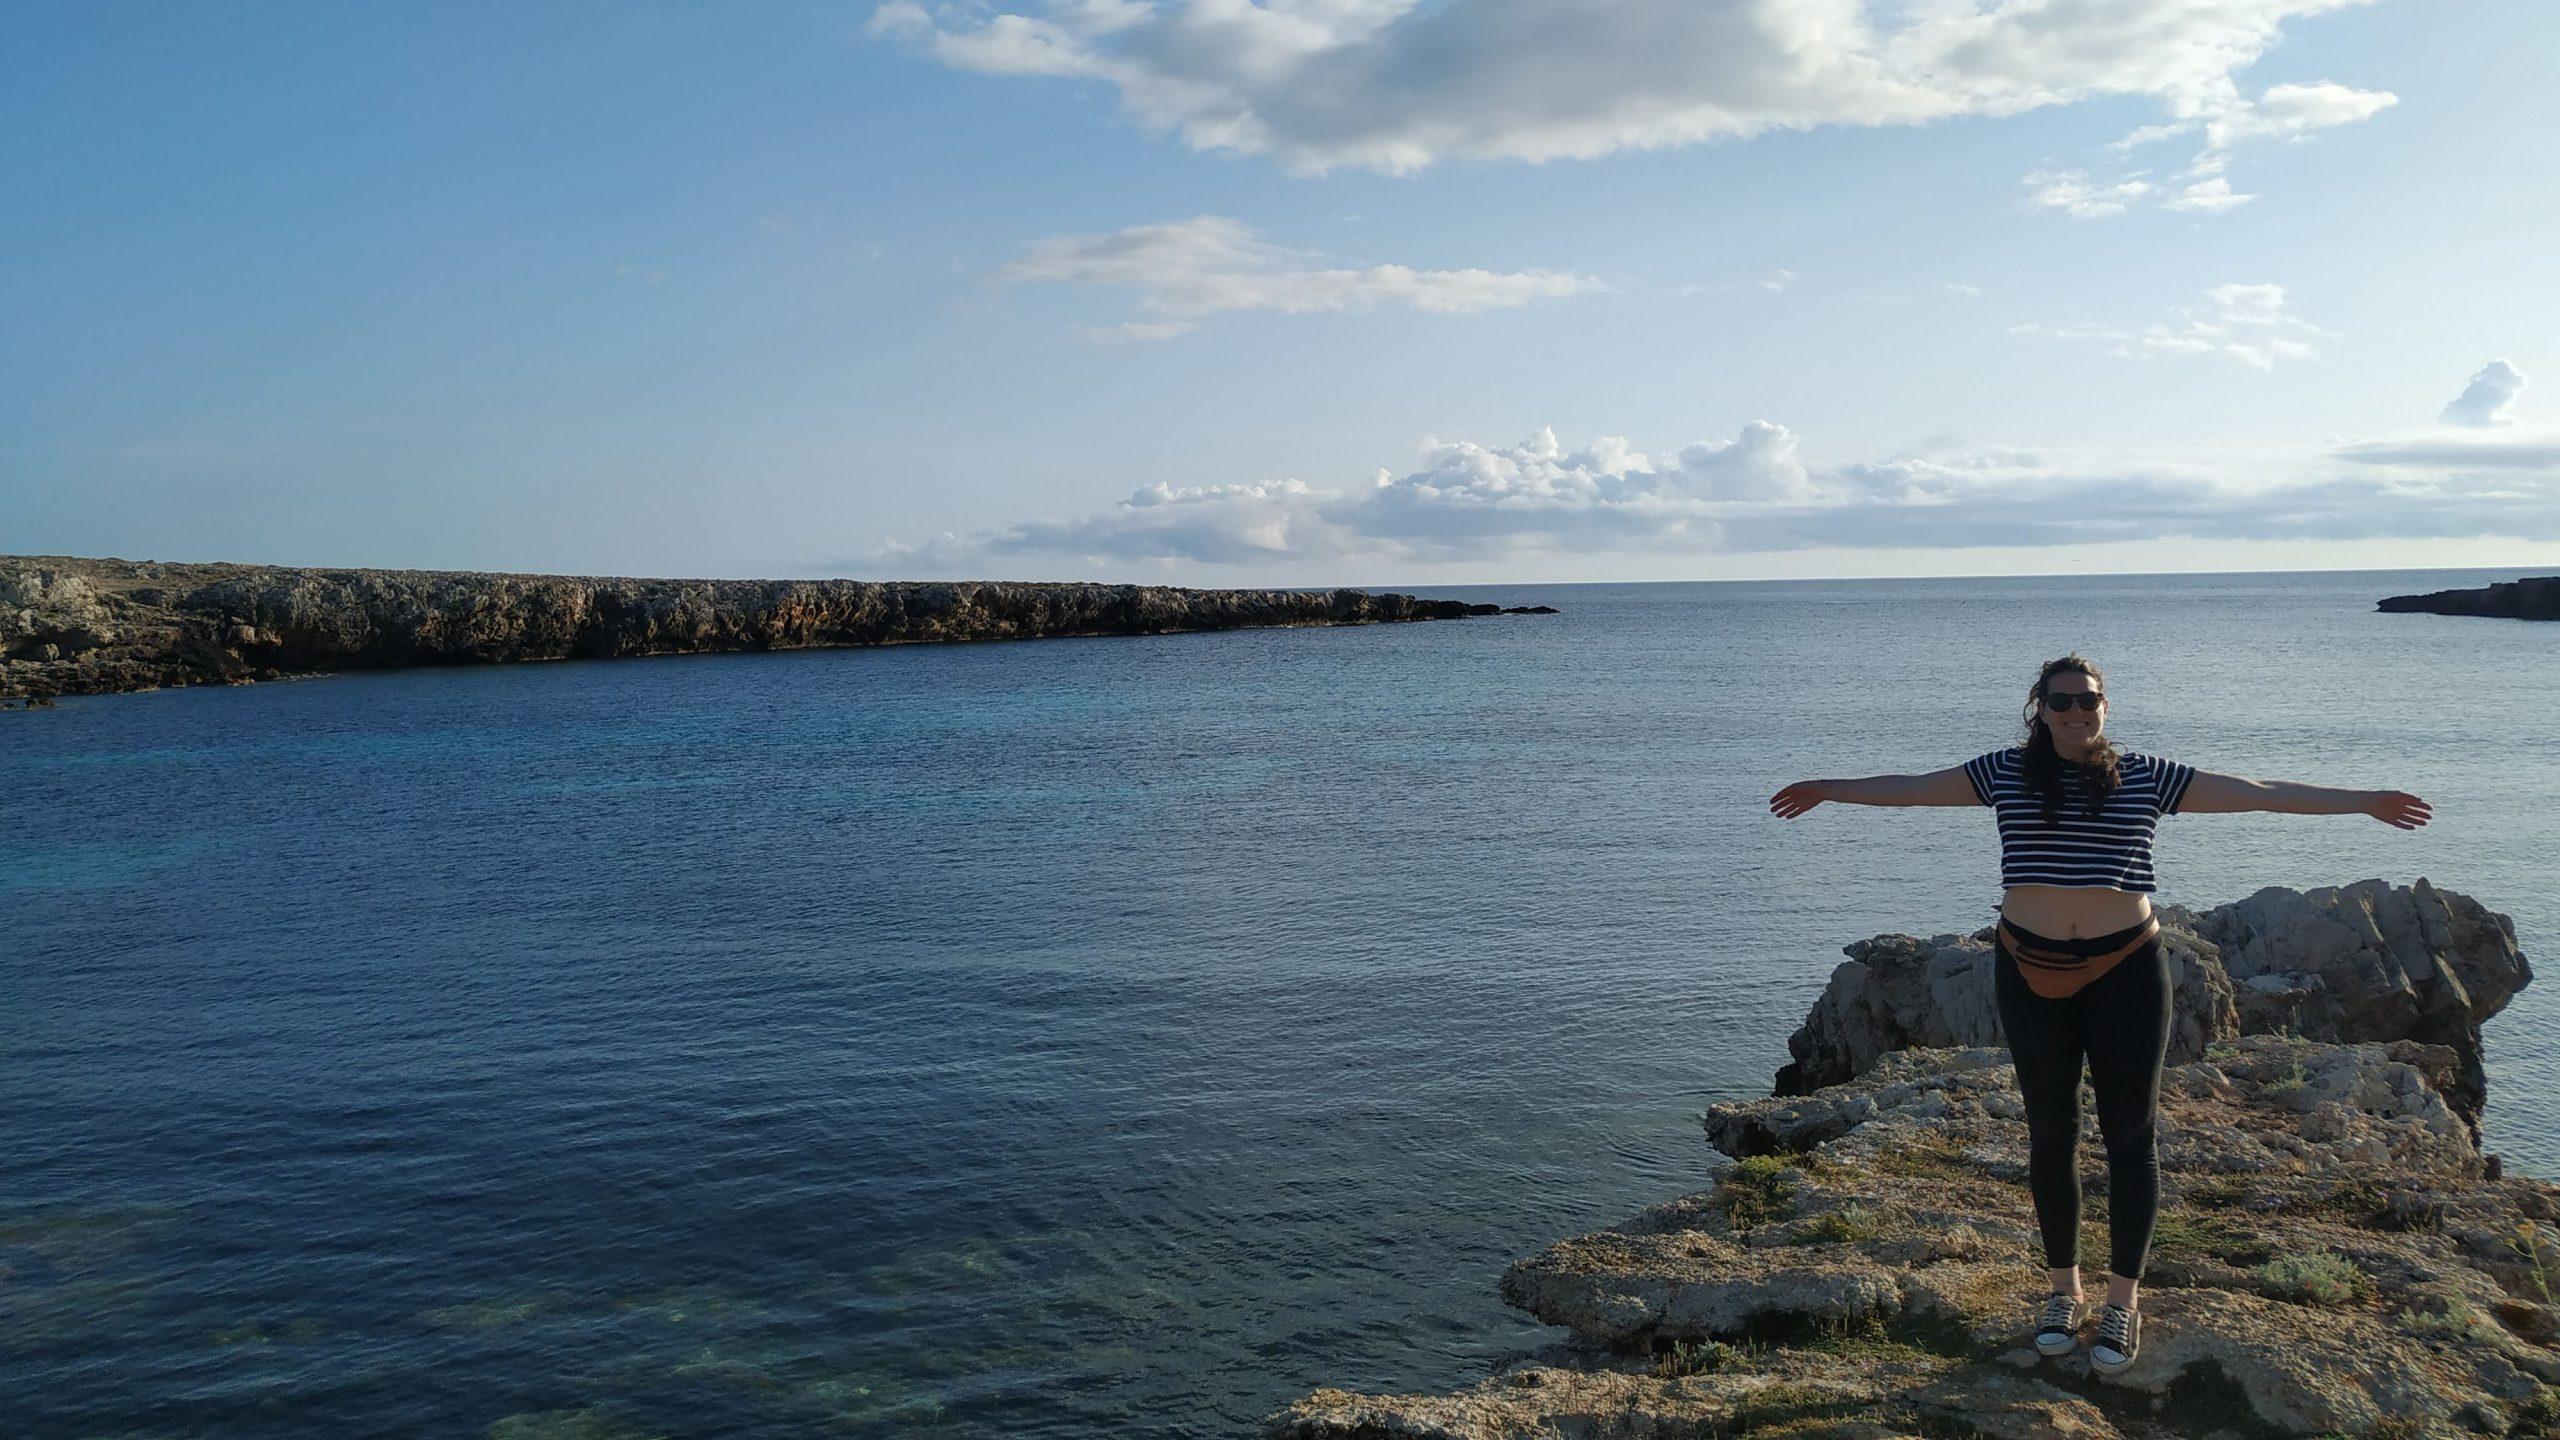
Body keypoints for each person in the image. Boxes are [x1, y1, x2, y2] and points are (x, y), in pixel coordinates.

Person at [1766, 653, 2430, 1376]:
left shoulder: (2146, 775)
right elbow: (1913, 789)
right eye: (2062, 702)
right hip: (2026, 965)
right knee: (2051, 1131)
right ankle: (2063, 1292)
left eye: (2089, 700)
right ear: (2039, 709)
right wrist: (1829, 788)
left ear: (2105, 706)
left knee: (2129, 1136)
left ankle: (2122, 1302)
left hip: (2126, 971)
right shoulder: (2003, 773)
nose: (2077, 712)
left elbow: (2260, 792)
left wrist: (2362, 799)